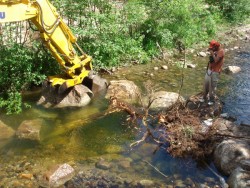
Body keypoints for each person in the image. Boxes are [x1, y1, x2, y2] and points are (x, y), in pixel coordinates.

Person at [202, 40, 225, 105]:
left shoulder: (221, 52)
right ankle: (204, 97)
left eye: (213, 47)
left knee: (212, 86)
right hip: (209, 70)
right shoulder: (214, 50)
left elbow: (216, 60)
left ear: (216, 47)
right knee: (206, 84)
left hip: (215, 72)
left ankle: (212, 100)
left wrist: (212, 53)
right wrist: (210, 50)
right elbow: (209, 51)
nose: (211, 48)